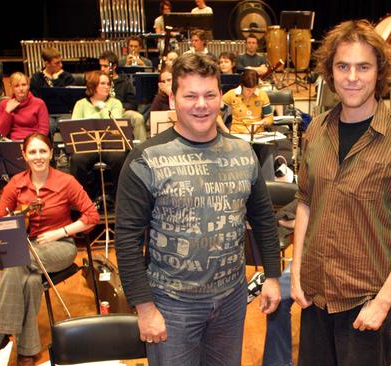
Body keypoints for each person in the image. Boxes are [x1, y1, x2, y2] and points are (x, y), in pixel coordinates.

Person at [114, 53, 281, 365]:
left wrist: (272, 275)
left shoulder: (244, 153)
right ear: (173, 97)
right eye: (190, 95)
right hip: (171, 304)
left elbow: (263, 220)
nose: (201, 105)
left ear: (221, 97)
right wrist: (144, 307)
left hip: (231, 300)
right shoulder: (144, 159)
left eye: (209, 94)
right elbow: (126, 240)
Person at [291, 20, 391, 366]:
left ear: (379, 72)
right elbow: (305, 205)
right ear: (331, 72)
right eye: (343, 66)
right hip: (315, 296)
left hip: (366, 304)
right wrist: (295, 274)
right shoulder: (317, 130)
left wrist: (384, 301)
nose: (352, 77)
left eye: (363, 67)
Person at [0, 133, 99, 366]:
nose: (38, 157)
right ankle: (28, 349)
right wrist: (16, 218)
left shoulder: (65, 182)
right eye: (33, 152)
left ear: (51, 154)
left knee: (16, 262)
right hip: (27, 247)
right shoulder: (16, 183)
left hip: (60, 246)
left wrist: (62, 232)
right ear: (24, 156)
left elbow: (92, 216)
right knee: (30, 279)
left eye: (43, 151)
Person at [70, 71, 127, 206]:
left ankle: (117, 198)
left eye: (108, 84)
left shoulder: (115, 103)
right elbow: (74, 126)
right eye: (102, 83)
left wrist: (103, 108)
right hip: (88, 145)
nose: (107, 86)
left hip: (110, 145)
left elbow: (115, 125)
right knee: (77, 160)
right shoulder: (81, 104)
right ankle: (85, 199)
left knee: (120, 157)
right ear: (93, 85)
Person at [99, 51, 147, 142]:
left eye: (105, 66)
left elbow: (133, 103)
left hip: (121, 112)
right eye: (101, 66)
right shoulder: (97, 82)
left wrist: (123, 107)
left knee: (138, 118)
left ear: (114, 66)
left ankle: (141, 150)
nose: (102, 69)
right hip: (102, 112)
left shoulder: (124, 82)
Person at [0, 72, 49, 140]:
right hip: (13, 142)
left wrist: (33, 142)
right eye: (17, 86)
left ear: (28, 86)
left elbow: (44, 130)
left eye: (24, 85)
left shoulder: (39, 103)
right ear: (11, 88)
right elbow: (2, 132)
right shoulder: (4, 104)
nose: (21, 88)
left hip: (33, 142)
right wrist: (7, 111)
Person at [221, 69, 273, 134]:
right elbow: (216, 114)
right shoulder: (232, 94)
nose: (250, 93)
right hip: (236, 133)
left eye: (253, 89)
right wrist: (226, 131)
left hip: (257, 134)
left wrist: (259, 123)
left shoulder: (262, 95)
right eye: (248, 90)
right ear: (242, 85)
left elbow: (269, 118)